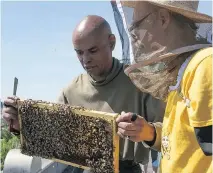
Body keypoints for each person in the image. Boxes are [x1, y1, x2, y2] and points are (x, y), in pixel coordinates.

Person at [2, 15, 165, 173]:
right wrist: (20, 125)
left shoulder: (140, 82)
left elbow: (171, 136)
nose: (85, 59)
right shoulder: (70, 91)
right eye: (79, 53)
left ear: (112, 42)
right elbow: (50, 140)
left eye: (93, 50)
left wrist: (148, 132)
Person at [115, 1, 212, 173]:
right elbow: (184, 143)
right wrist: (149, 132)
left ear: (162, 19)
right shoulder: (184, 71)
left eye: (137, 25)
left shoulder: (204, 66)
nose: (135, 35)